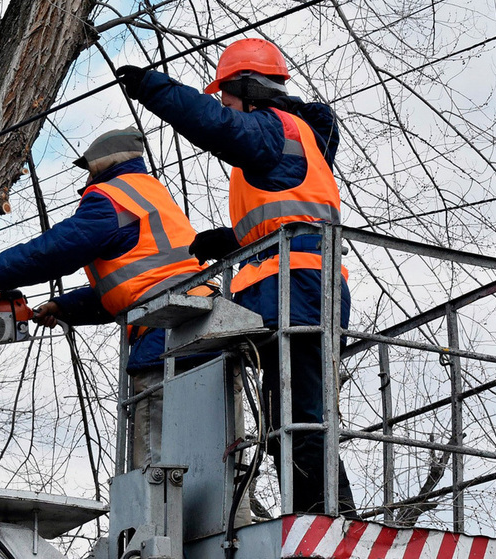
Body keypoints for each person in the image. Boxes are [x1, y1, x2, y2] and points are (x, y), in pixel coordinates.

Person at [116, 38, 359, 517]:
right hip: (287, 291)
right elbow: (285, 218)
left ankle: (331, 516)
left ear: (249, 89)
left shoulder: (276, 130)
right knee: (284, 422)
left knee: (302, 416)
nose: (225, 106)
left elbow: (218, 126)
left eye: (227, 95)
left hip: (301, 288)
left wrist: (154, 87)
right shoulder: (286, 144)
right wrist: (232, 240)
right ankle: (316, 512)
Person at [0, 127, 214, 470]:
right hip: (208, 325)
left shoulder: (111, 197)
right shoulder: (152, 195)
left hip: (166, 335)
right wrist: (64, 307)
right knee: (217, 458)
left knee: (159, 468)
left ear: (100, 163)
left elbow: (56, 250)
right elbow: (137, 283)